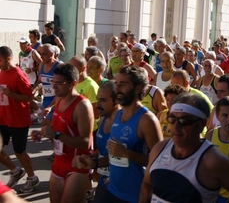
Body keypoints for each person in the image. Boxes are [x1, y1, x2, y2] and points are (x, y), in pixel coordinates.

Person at [73, 66, 163, 202]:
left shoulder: (147, 120)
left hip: (134, 195)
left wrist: (127, 153)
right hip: (110, 188)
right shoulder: (117, 116)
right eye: (117, 84)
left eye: (123, 84)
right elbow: (114, 155)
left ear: (138, 88)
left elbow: (160, 162)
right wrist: (93, 162)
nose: (118, 88)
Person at [138, 93, 229, 203]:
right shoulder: (159, 148)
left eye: (184, 121)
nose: (176, 127)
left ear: (202, 124)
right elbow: (147, 184)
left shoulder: (213, 161)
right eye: (172, 119)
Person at [39, 63, 94, 202]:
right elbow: (58, 127)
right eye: (53, 81)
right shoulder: (59, 99)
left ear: (73, 83)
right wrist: (43, 132)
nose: (54, 86)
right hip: (59, 161)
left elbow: (85, 143)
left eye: (59, 83)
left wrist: (56, 135)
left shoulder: (82, 105)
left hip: (77, 165)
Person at [0, 46, 40, 193]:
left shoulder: (18, 75)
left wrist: (11, 94)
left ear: (8, 59)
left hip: (18, 120)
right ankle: (15, 170)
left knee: (19, 152)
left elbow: (29, 97)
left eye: (0, 60)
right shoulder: (2, 72)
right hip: (3, 118)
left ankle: (32, 178)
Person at [91, 81, 119, 201]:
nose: (97, 105)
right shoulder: (102, 120)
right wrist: (92, 158)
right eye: (98, 99)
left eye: (103, 100)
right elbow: (103, 151)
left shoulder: (122, 124)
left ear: (116, 100)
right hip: (103, 184)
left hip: (120, 187)